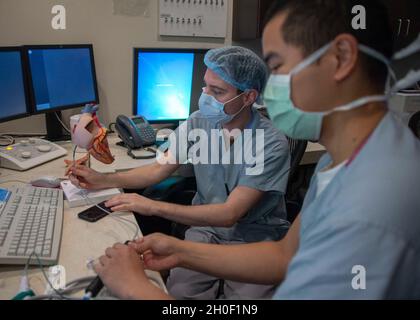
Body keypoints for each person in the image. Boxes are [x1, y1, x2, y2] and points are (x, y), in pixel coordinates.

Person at [93, 0, 420, 300]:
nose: (269, 87)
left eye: (276, 67)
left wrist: (136, 288)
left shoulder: (372, 204)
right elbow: (284, 257)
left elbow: (234, 218)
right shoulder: (344, 161)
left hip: (252, 235)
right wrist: (182, 251)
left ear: (341, 59)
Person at [68, 46, 291, 299]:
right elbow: (156, 169)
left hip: (255, 239)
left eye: (217, 92)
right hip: (205, 230)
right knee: (179, 293)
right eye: (205, 86)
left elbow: (230, 214)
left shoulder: (271, 143)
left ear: (249, 96)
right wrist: (104, 179)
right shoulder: (198, 122)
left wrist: (152, 206)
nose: (204, 96)